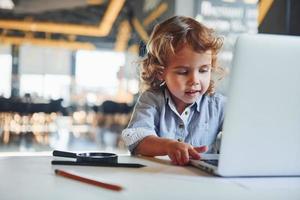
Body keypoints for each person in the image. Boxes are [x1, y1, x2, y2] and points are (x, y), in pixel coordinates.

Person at [122, 16, 226, 166]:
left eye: (204, 70)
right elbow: (137, 139)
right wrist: (168, 146)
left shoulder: (218, 105)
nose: (195, 80)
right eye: (183, 72)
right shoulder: (151, 100)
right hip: (160, 178)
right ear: (160, 72)